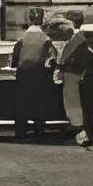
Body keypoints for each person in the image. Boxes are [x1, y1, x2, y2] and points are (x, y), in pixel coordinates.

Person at [52, 15, 93, 149]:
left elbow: (72, 57)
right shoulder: (79, 38)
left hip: (74, 75)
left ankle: (79, 131)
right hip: (75, 74)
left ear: (72, 23)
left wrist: (61, 68)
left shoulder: (78, 39)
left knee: (73, 103)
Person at [8, 14, 57, 143]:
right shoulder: (46, 39)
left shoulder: (22, 39)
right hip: (40, 73)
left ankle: (21, 131)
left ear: (29, 21)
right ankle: (39, 129)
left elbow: (14, 60)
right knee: (39, 102)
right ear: (42, 22)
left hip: (23, 73)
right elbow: (52, 59)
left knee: (21, 103)